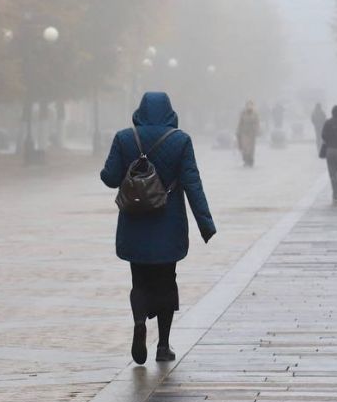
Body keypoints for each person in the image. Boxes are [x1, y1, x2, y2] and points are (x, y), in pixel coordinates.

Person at [101, 92, 216, 364]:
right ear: (169, 112)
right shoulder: (180, 141)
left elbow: (110, 177)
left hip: (134, 223)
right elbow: (192, 183)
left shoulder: (124, 138)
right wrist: (205, 224)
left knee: (139, 281)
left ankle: (139, 323)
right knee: (166, 282)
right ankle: (163, 346)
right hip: (169, 223)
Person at [236, 101, 260, 167]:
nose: (249, 106)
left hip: (252, 133)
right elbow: (240, 123)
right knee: (244, 147)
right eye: (248, 105)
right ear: (246, 106)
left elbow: (257, 123)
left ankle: (250, 160)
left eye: (250, 105)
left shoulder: (255, 114)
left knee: (251, 148)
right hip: (244, 132)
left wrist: (257, 130)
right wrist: (238, 131)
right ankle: (245, 160)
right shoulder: (243, 113)